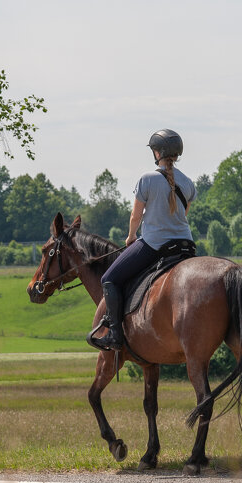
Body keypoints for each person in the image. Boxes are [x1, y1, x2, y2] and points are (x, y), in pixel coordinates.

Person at [90, 128, 197, 351]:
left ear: (157, 152)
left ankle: (116, 336)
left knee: (109, 279)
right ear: (177, 154)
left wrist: (131, 237)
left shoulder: (147, 179)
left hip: (155, 245)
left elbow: (135, 216)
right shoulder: (188, 183)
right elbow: (182, 214)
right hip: (186, 245)